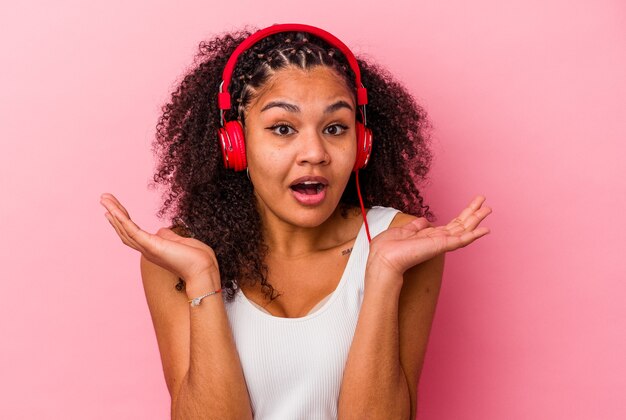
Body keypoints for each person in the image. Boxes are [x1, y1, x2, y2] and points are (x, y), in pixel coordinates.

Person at [100, 23, 491, 420]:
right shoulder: (180, 258)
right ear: (235, 145)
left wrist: (384, 275)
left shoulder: (403, 246)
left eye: (335, 128)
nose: (315, 153)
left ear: (362, 145)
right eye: (283, 129)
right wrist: (202, 277)